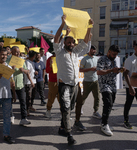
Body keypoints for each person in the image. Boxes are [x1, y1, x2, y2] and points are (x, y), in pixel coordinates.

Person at [53, 15, 93, 145]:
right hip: (64, 85)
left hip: (75, 85)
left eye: (72, 42)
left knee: (69, 107)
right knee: (65, 108)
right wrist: (62, 25)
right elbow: (56, 38)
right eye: (68, 42)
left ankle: (62, 127)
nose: (71, 44)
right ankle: (69, 134)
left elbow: (85, 42)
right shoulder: (59, 51)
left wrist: (89, 27)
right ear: (64, 43)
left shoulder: (75, 52)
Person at [97, 45, 124, 136]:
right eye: (113, 54)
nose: (115, 56)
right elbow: (99, 72)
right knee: (108, 103)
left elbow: (113, 71)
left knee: (110, 104)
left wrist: (118, 70)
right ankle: (104, 125)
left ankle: (104, 122)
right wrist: (112, 70)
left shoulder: (114, 60)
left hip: (113, 85)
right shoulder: (102, 59)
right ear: (109, 51)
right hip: (104, 84)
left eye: (116, 55)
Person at [74, 45, 101, 130]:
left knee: (97, 97)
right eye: (93, 50)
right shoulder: (84, 59)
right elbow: (80, 70)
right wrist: (90, 69)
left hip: (96, 81)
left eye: (95, 50)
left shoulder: (97, 59)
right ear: (90, 50)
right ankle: (80, 109)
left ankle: (95, 111)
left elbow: (99, 68)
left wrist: (98, 69)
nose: (94, 51)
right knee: (83, 97)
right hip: (87, 82)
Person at [6, 46, 32, 126]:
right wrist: (11, 69)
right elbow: (4, 73)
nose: (18, 53)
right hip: (10, 85)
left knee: (23, 102)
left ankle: (23, 118)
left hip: (20, 85)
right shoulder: (7, 60)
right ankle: (11, 116)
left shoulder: (21, 61)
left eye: (18, 52)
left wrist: (23, 70)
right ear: (12, 52)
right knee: (9, 102)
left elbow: (28, 71)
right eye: (16, 52)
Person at [123, 43, 137, 129]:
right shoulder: (130, 60)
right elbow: (126, 74)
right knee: (128, 104)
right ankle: (126, 121)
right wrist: (130, 87)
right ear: (135, 49)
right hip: (131, 86)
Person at [45, 52, 59, 118]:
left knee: (62, 98)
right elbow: (47, 71)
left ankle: (64, 113)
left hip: (62, 81)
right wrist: (50, 65)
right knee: (51, 97)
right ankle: (48, 110)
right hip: (53, 82)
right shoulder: (49, 59)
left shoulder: (63, 58)